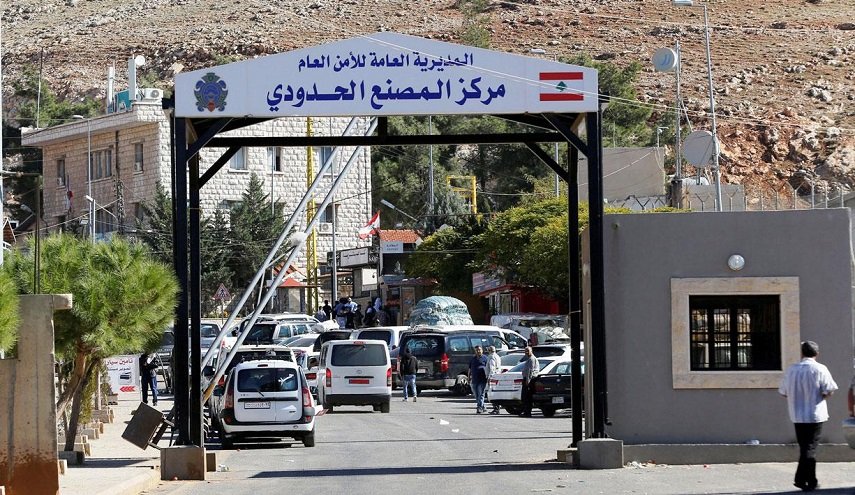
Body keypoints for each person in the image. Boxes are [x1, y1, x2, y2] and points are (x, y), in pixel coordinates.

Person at [779, 341, 838, 492]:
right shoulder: (820, 368)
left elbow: (784, 392)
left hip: (797, 414)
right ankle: (804, 479)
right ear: (817, 353)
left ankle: (808, 480)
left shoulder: (792, 370)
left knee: (805, 446)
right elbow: (829, 389)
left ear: (802, 353)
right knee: (810, 447)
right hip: (814, 413)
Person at [468, 345, 489, 413]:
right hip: (474, 379)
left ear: (482, 350)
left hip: (482, 379)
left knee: (481, 394)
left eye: (479, 350)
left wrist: (488, 377)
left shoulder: (485, 358)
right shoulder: (473, 359)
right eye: (477, 350)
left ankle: (479, 407)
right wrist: (468, 377)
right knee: (476, 395)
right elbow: (470, 369)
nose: (478, 351)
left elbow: (488, 368)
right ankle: (483, 406)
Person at [519, 346, 539, 417]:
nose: (526, 352)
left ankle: (527, 412)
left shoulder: (532, 359)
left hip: (529, 380)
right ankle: (526, 412)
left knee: (527, 397)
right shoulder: (528, 359)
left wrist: (528, 381)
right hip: (527, 379)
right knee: (525, 397)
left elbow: (530, 371)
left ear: (531, 351)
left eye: (528, 351)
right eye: (525, 351)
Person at [486, 346, 502, 414]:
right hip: (497, 375)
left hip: (493, 377)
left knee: (493, 393)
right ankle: (497, 408)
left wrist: (490, 377)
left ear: (490, 350)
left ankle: (496, 408)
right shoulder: (497, 356)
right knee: (495, 392)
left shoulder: (491, 357)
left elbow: (492, 368)